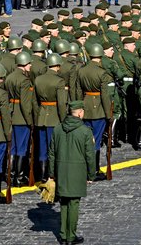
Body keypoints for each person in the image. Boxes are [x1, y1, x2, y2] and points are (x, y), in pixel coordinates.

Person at [48, 100, 94, 245]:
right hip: (77, 172)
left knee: (63, 202)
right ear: (80, 113)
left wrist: (52, 173)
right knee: (74, 203)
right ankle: (71, 236)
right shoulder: (85, 131)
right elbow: (90, 156)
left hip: (61, 171)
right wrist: (91, 174)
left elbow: (51, 154)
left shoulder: (57, 129)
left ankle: (63, 235)